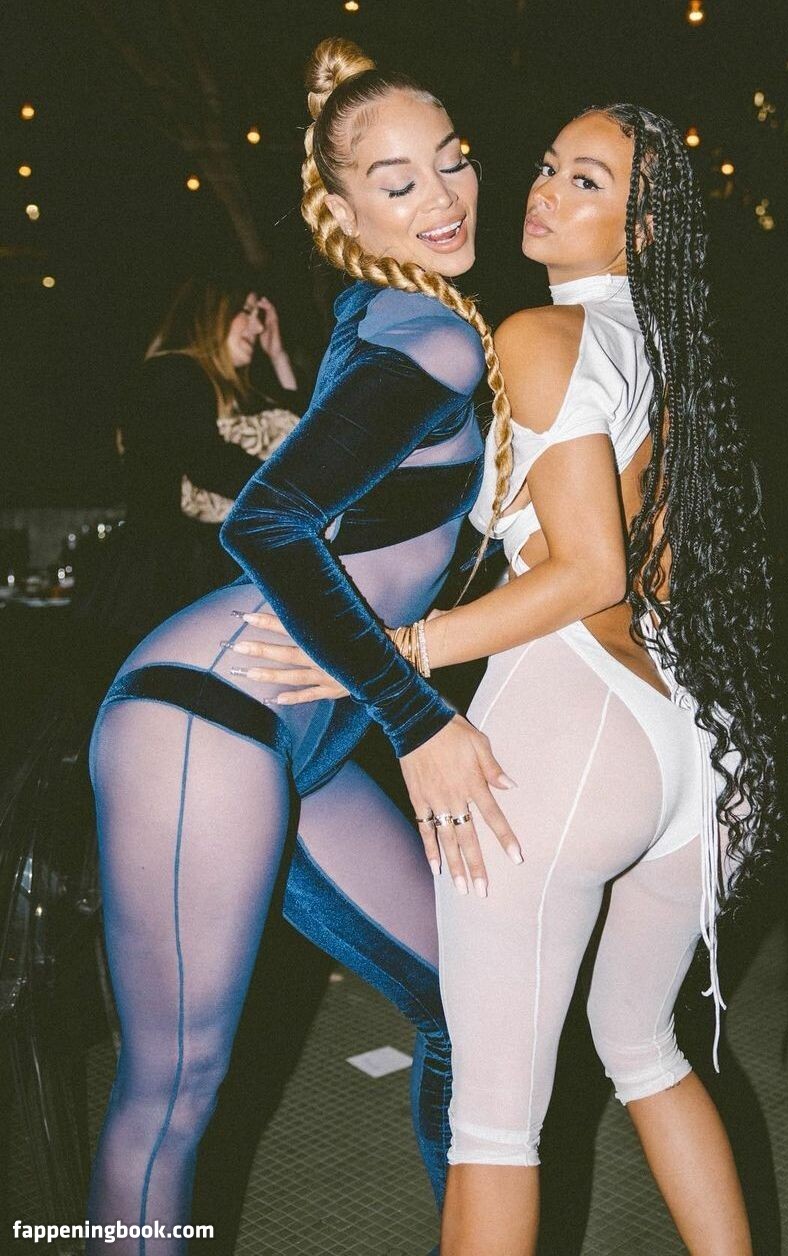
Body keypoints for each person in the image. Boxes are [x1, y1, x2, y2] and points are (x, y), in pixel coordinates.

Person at [241, 103, 784, 1255]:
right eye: (546, 166)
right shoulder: (665, 347)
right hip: (692, 738)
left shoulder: (541, 336)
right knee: (642, 1043)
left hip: (575, 717)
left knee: (494, 1120)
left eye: (587, 182)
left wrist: (404, 650)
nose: (543, 191)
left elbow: (588, 569)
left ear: (643, 228)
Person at [85, 38, 522, 1253]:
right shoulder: (433, 338)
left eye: (452, 161)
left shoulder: (384, 310)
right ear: (342, 206)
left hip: (298, 735)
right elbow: (269, 520)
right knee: (173, 1090)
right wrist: (420, 719)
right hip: (206, 720)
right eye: (398, 181)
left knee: (463, 1009)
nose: (443, 197)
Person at [75, 276, 304, 661]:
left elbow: (301, 437)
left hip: (199, 564)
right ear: (211, 313)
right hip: (169, 571)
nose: (258, 326)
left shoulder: (225, 387)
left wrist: (278, 356)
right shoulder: (170, 373)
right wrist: (299, 495)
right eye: (246, 311)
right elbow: (209, 462)